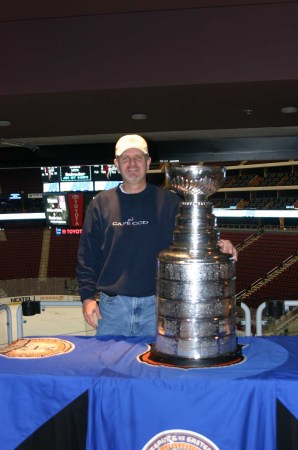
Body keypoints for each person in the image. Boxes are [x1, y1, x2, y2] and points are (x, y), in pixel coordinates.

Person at [76, 134, 238, 337]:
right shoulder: (100, 203)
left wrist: (218, 244)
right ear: (116, 164)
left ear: (148, 162)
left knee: (156, 366)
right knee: (110, 367)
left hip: (158, 306)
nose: (132, 164)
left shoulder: (170, 202)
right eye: (126, 158)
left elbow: (191, 239)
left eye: (138, 157)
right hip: (112, 309)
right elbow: (87, 255)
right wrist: (87, 297)